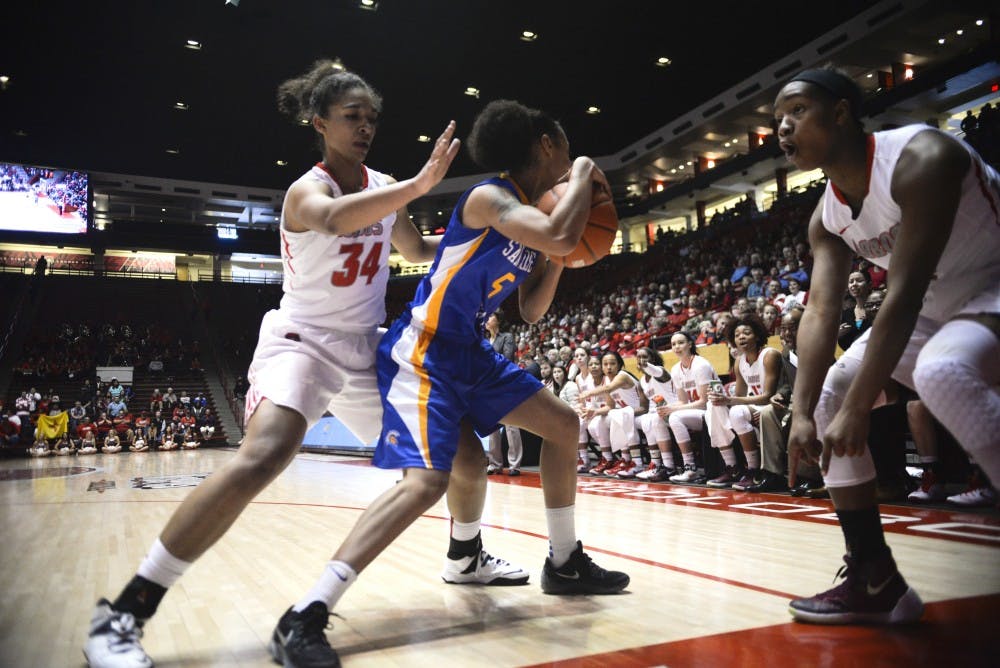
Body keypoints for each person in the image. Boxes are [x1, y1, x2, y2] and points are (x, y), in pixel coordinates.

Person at [84, 62, 463, 668]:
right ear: (320, 123)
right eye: (351, 117)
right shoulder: (307, 190)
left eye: (372, 118)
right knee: (264, 455)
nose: (366, 126)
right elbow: (340, 220)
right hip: (302, 341)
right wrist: (418, 186)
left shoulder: (387, 183)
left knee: (435, 468)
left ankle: (340, 599)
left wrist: (482, 235)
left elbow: (415, 249)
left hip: (364, 349)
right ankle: (124, 612)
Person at [290, 97, 629, 666]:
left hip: (470, 350)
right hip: (423, 350)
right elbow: (557, 228)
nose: (571, 160)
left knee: (563, 424)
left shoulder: (533, 219)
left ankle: (562, 560)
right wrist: (589, 172)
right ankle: (310, 609)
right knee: (430, 480)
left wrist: (556, 262)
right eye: (567, 150)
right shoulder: (490, 197)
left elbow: (534, 310)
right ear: (545, 146)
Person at [774, 67, 1000, 625]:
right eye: (777, 118)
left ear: (842, 112)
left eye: (797, 110)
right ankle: (876, 579)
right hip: (941, 301)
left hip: (990, 279)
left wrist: (860, 408)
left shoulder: (921, 157)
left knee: (942, 374)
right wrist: (801, 412)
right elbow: (822, 309)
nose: (783, 127)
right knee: (829, 397)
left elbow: (903, 290)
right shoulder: (826, 214)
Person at [705, 313, 782, 489]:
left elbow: (769, 395)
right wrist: (720, 399)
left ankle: (753, 469)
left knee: (737, 412)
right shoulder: (739, 361)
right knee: (713, 406)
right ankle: (733, 466)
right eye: (737, 334)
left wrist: (731, 399)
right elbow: (740, 395)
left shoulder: (769, 355)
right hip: (756, 406)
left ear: (757, 335)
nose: (741, 337)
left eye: (746, 333)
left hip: (774, 405)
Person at [665, 331, 722, 483]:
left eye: (680, 342)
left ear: (690, 344)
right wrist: (667, 407)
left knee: (675, 417)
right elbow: (683, 401)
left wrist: (673, 410)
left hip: (713, 411)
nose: (677, 347)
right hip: (696, 413)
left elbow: (703, 402)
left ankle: (690, 467)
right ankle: (665, 465)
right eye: (673, 344)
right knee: (664, 415)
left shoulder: (700, 364)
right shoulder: (676, 369)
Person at [484, 309, 524, 476]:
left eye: (491, 316)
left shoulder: (506, 337)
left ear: (498, 320)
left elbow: (506, 359)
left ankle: (514, 464)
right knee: (491, 426)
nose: (487, 319)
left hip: (505, 383)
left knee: (511, 425)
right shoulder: (484, 340)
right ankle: (494, 463)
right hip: (488, 385)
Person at [633, 346, 680, 481]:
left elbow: (654, 370)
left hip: (672, 408)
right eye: (639, 358)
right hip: (655, 412)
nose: (641, 360)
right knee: (630, 419)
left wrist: (647, 365)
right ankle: (642, 463)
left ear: (652, 359)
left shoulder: (660, 373)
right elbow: (646, 406)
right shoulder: (642, 381)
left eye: (645, 357)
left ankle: (667, 466)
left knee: (653, 420)